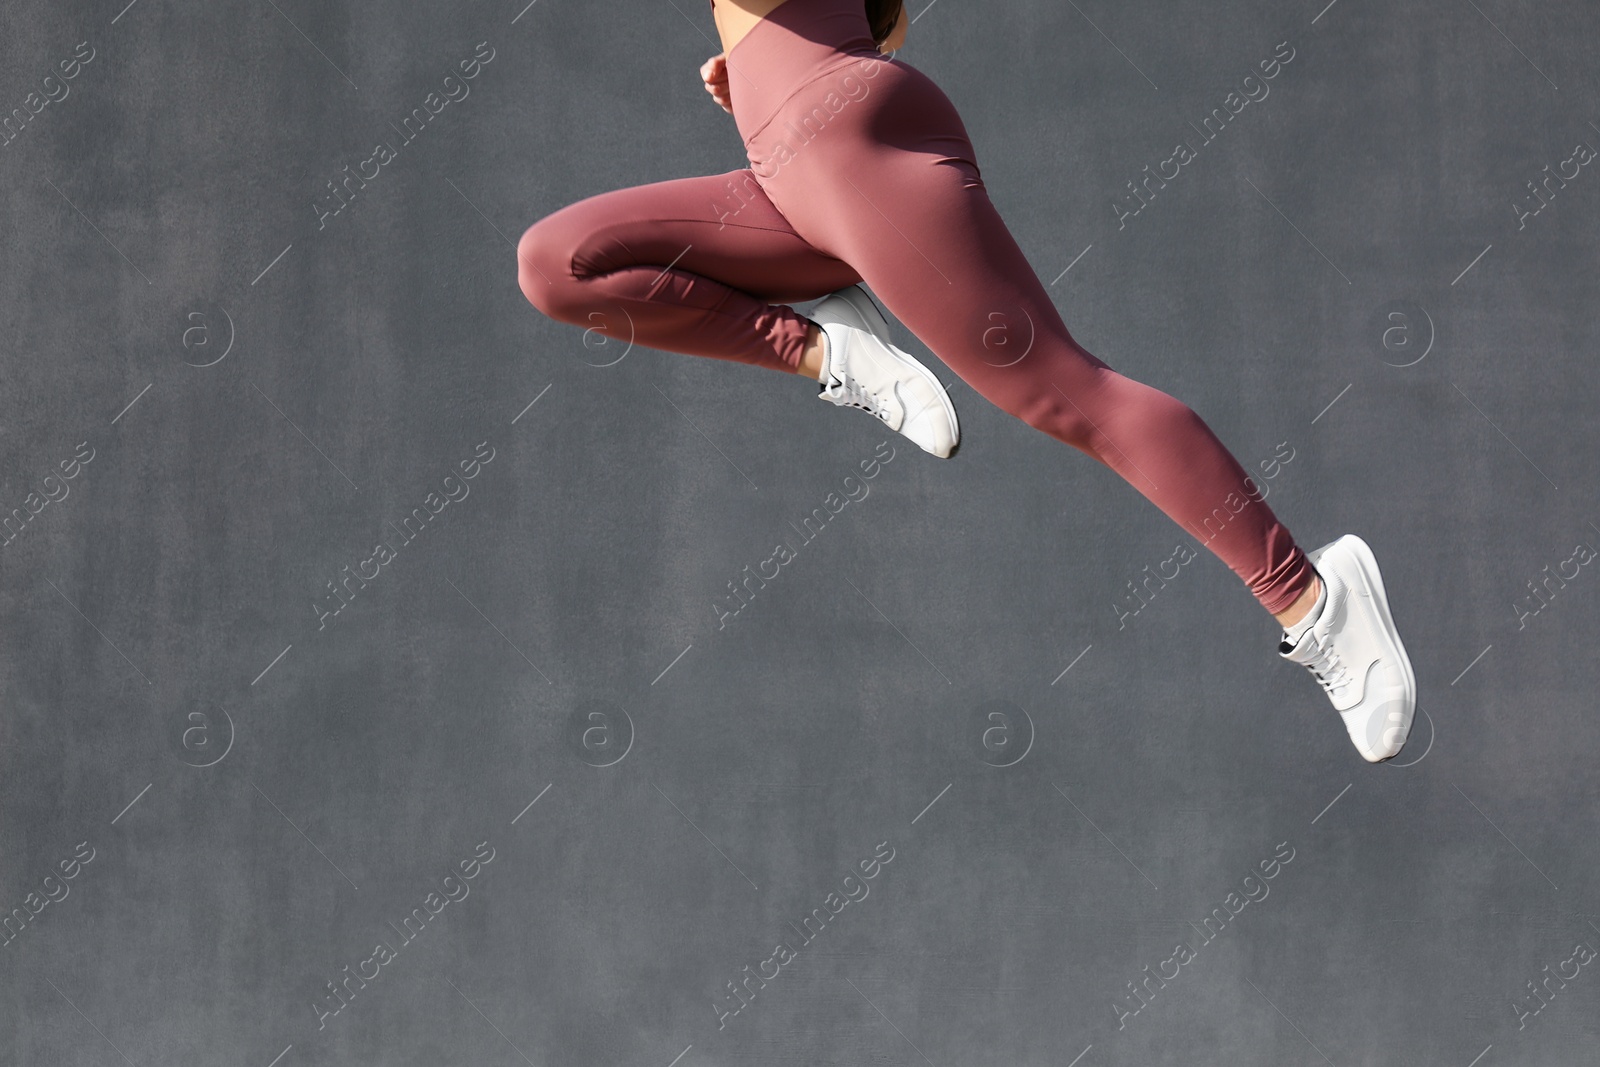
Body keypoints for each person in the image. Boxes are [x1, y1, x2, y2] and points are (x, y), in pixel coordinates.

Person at [516, 0, 1417, 762]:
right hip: (788, 170)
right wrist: (757, 66)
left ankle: (1313, 595)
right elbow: (883, 18)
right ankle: (827, 348)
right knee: (559, 264)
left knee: (1067, 396)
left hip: (851, 146)